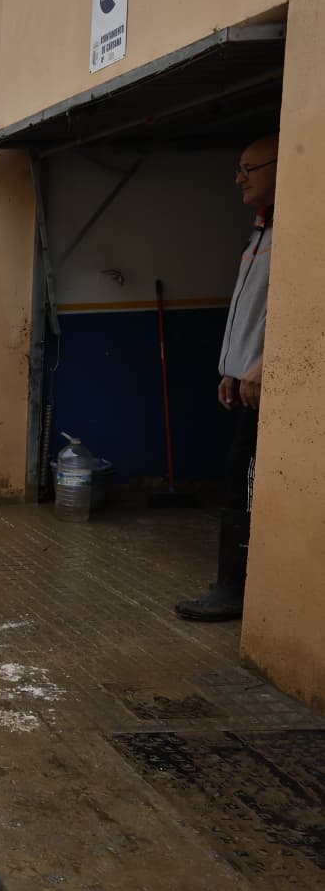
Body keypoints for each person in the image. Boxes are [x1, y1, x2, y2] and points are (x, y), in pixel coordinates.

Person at [175, 134, 279, 623]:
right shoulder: (260, 231)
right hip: (247, 383)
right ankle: (233, 585)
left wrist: (269, 361)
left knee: (247, 481)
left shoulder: (299, 229)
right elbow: (249, 309)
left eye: (248, 168)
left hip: (276, 389)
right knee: (239, 478)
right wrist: (230, 368)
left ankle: (236, 590)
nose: (238, 177)